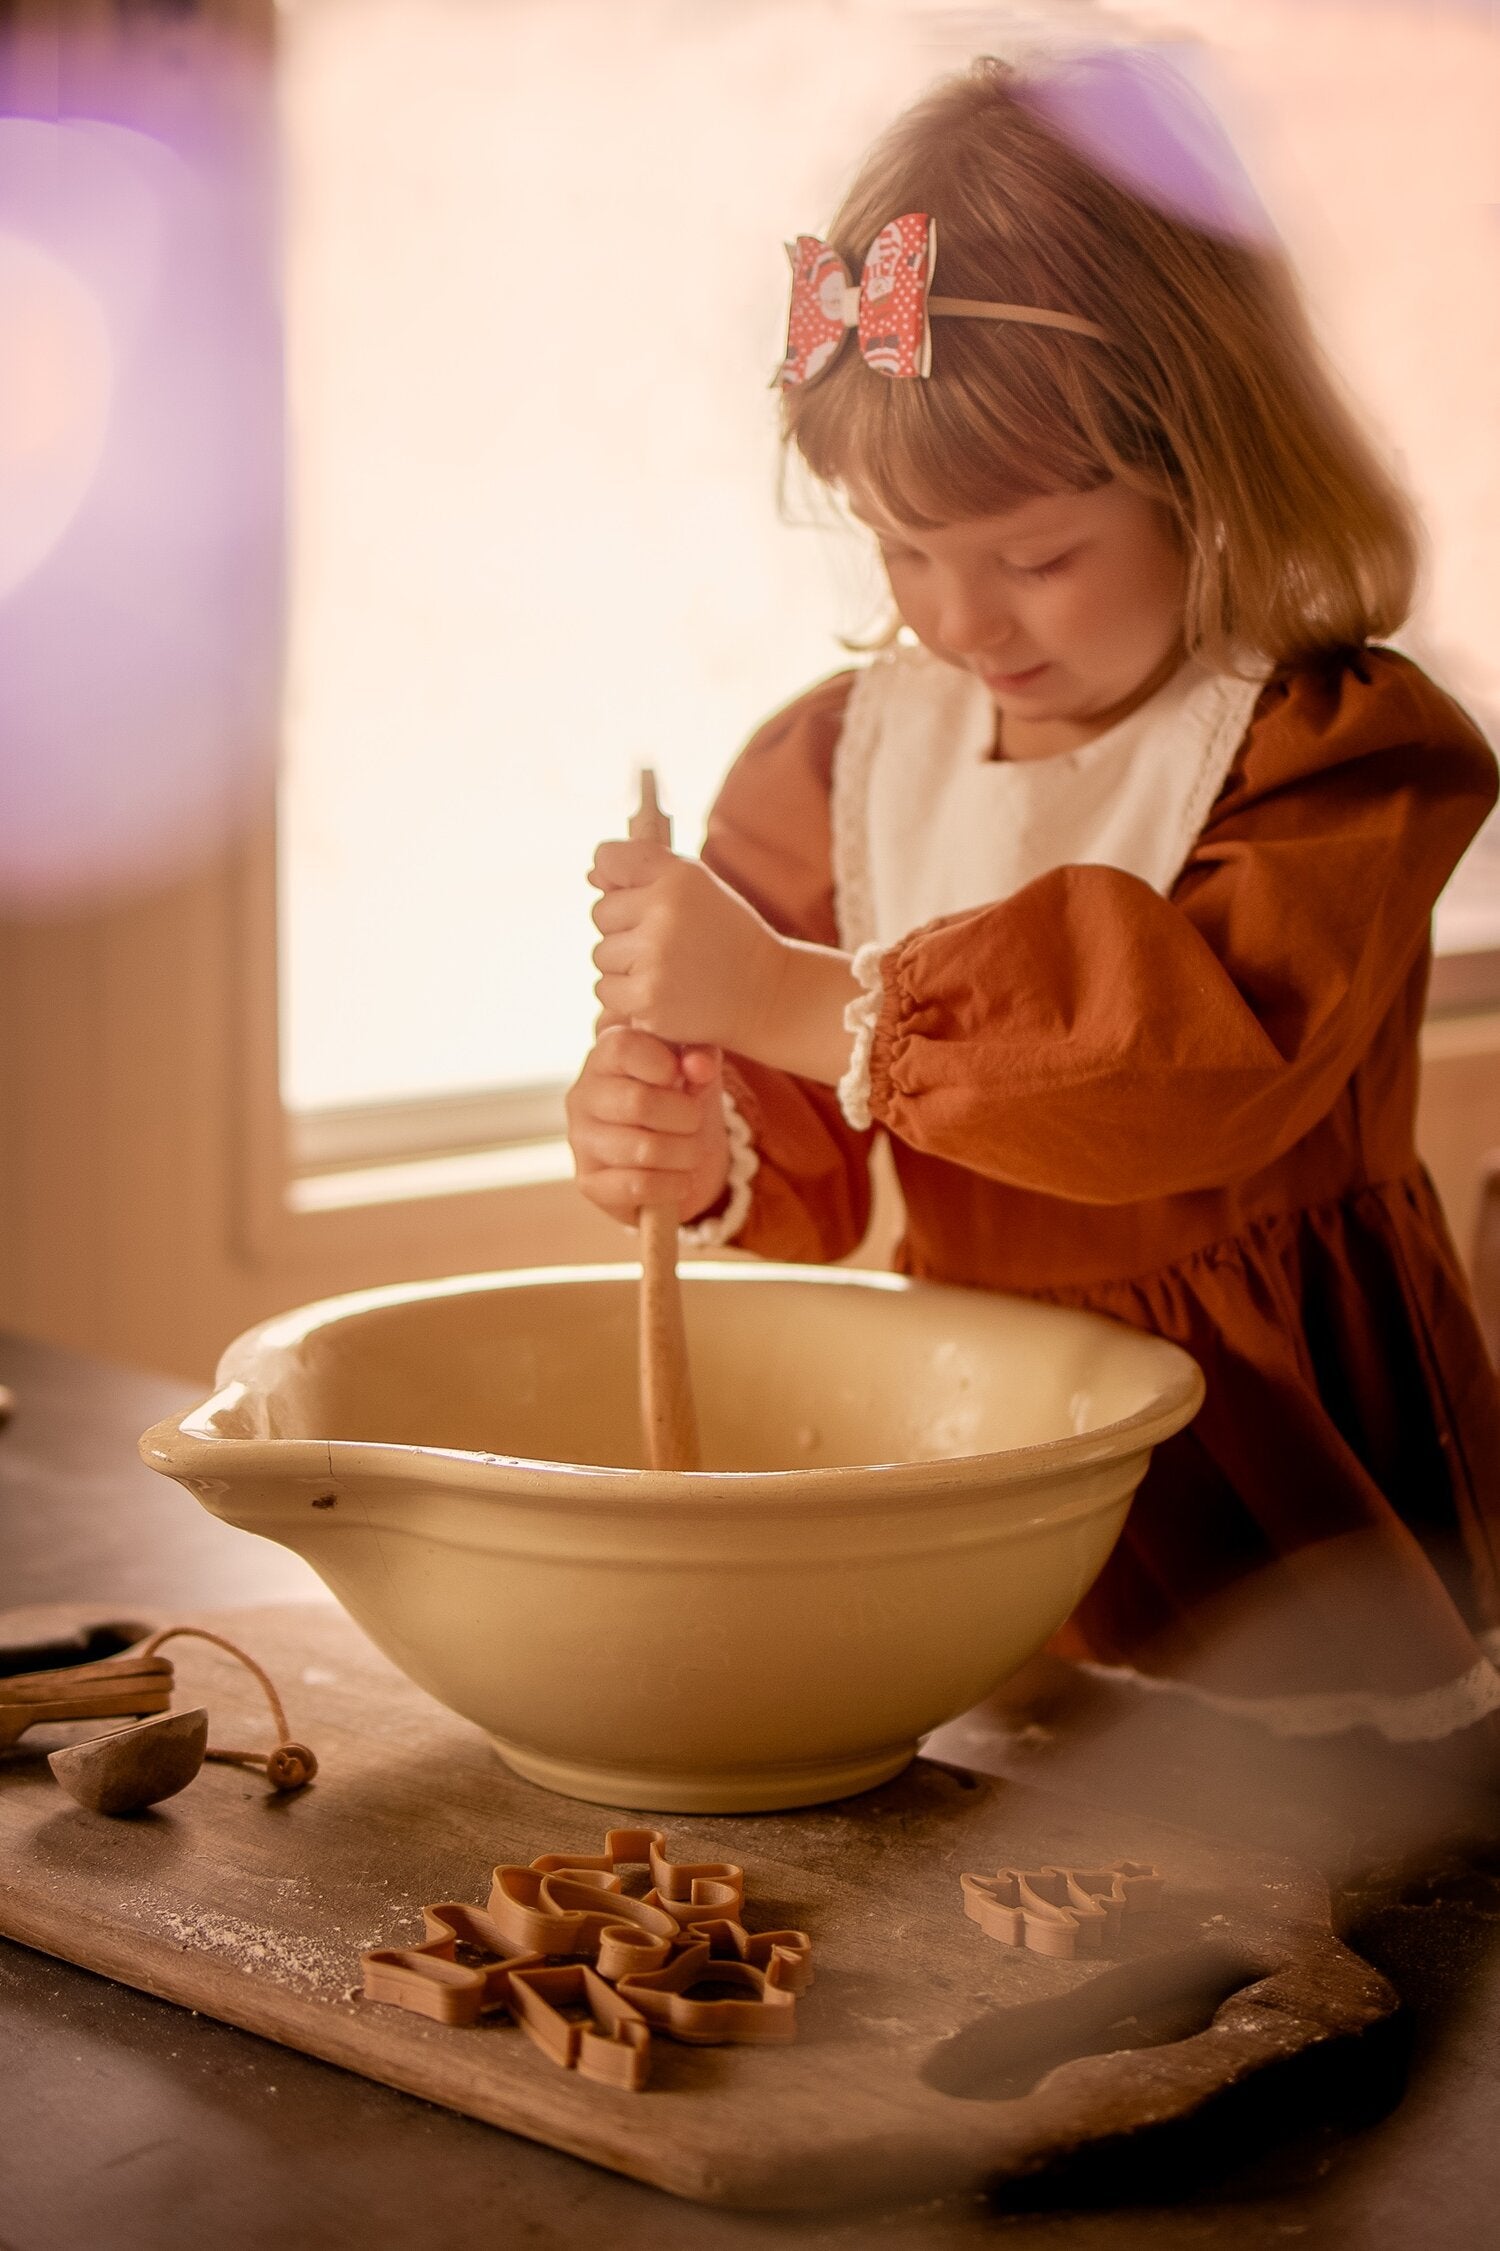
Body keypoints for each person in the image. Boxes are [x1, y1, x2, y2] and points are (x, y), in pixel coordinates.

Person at [564, 55, 1500, 1751]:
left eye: (1036, 554)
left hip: (1277, 1476)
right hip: (985, 1461)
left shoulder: (1327, 755)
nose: (960, 618)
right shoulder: (840, 762)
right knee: (1020, 1851)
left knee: (1334, 1882)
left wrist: (785, 994)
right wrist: (693, 1143)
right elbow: (813, 1159)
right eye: (897, 551)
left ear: (1207, 467)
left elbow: (1188, 1078)